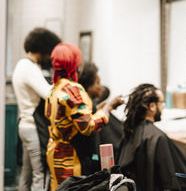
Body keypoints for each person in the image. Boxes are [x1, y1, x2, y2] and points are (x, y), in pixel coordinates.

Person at [45, 43, 122, 191]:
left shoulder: (55, 88)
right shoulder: (72, 90)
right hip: (70, 156)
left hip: (55, 152)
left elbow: (69, 117)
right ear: (75, 65)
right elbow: (88, 127)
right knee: (72, 187)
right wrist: (107, 110)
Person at [117, 84, 186, 191]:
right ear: (152, 106)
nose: (163, 106)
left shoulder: (131, 132)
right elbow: (169, 181)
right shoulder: (158, 138)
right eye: (161, 102)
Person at [12, 27, 61, 191]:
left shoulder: (21, 65)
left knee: (26, 174)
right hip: (33, 127)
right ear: (44, 49)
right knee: (40, 174)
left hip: (24, 125)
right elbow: (48, 94)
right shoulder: (29, 68)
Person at [78, 61, 124, 166]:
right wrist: (108, 109)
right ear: (88, 87)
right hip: (91, 159)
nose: (100, 87)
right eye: (97, 83)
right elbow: (92, 122)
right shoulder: (85, 106)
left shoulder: (89, 105)